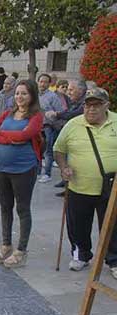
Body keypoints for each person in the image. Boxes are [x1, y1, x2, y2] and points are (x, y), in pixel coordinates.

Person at [54, 87, 117, 277]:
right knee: (78, 225)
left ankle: (114, 259)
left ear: (106, 105)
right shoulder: (73, 124)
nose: (91, 110)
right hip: (79, 186)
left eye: (96, 105)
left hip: (112, 187)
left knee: (113, 226)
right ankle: (81, 255)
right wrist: (64, 167)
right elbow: (59, 150)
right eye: (88, 105)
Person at [0, 80, 44, 268]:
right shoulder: (6, 114)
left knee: (22, 208)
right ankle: (6, 245)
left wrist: (3, 136)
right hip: (2, 169)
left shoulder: (36, 116)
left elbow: (26, 135)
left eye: (24, 94)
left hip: (24, 169)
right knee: (5, 206)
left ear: (32, 96)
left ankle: (21, 250)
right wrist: (11, 139)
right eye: (18, 93)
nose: (19, 97)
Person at [37, 73, 65, 183]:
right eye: (41, 81)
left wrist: (51, 114)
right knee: (37, 150)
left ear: (49, 84)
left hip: (48, 126)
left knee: (47, 151)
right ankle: (37, 171)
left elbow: (61, 111)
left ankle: (47, 174)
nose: (42, 84)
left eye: (45, 82)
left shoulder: (53, 96)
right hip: (36, 127)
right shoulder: (34, 95)